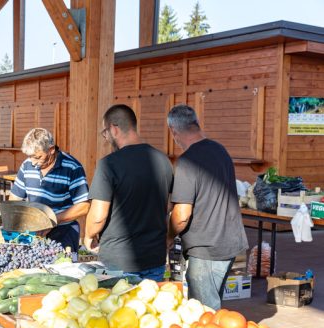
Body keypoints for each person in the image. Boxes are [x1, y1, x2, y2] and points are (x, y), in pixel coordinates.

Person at [167, 104, 248, 310]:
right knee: (212, 307)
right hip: (229, 243)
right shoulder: (220, 150)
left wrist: (167, 237)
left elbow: (182, 215)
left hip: (207, 249)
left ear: (174, 132)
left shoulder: (187, 161)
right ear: (196, 123)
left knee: (204, 314)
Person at [84, 105, 173, 281]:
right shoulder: (163, 160)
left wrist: (88, 236)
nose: (106, 138)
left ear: (114, 129)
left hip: (119, 260)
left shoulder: (109, 164)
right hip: (155, 258)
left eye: (105, 133)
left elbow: (98, 216)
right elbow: (169, 205)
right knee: (151, 300)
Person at [9, 128, 89, 252]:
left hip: (64, 232)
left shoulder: (72, 167)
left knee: (64, 263)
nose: (33, 162)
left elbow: (84, 206)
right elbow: (14, 199)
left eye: (37, 157)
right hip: (34, 232)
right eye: (30, 157)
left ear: (51, 150)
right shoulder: (26, 164)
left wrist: (52, 220)